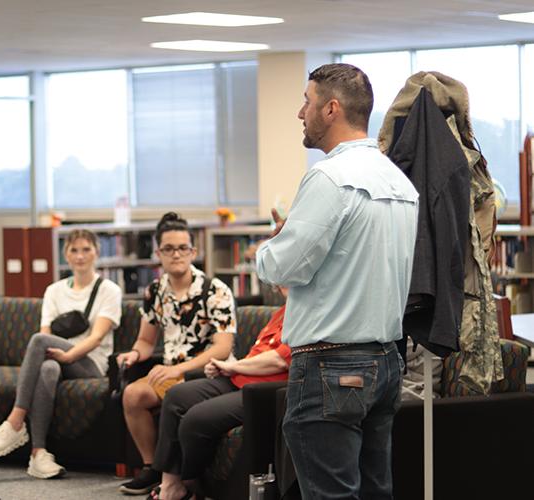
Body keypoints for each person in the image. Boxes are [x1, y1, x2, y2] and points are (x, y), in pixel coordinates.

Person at [254, 63, 418, 499]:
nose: (298, 113)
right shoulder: (399, 182)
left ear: (330, 109)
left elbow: (285, 267)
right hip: (384, 362)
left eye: (306, 102)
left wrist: (271, 247)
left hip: (331, 365)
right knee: (374, 491)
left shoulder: (328, 177)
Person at [0, 229, 122, 479]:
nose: (80, 256)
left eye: (86, 249)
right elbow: (46, 331)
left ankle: (15, 420)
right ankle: (38, 453)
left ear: (97, 253)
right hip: (57, 358)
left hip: (91, 364)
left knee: (38, 340)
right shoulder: (54, 290)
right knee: (48, 368)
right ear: (65, 255)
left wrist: (69, 356)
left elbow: (96, 337)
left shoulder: (109, 289)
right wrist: (58, 358)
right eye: (74, 250)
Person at [116, 212, 236, 495]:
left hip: (207, 373)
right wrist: (134, 354)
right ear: (158, 253)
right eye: (169, 249)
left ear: (193, 251)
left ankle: (177, 479)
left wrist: (179, 370)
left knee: (174, 394)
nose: (176, 254)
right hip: (170, 371)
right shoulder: (155, 290)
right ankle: (151, 468)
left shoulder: (214, 290)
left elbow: (223, 347)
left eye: (183, 248)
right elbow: (146, 340)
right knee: (132, 395)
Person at [150, 290, 291, 500]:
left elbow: (279, 360)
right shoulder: (280, 312)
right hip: (238, 377)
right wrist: (229, 368)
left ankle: (193, 486)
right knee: (176, 396)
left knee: (195, 420)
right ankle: (171, 484)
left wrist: (233, 366)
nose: (282, 287)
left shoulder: (307, 314)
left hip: (262, 392)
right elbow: (257, 354)